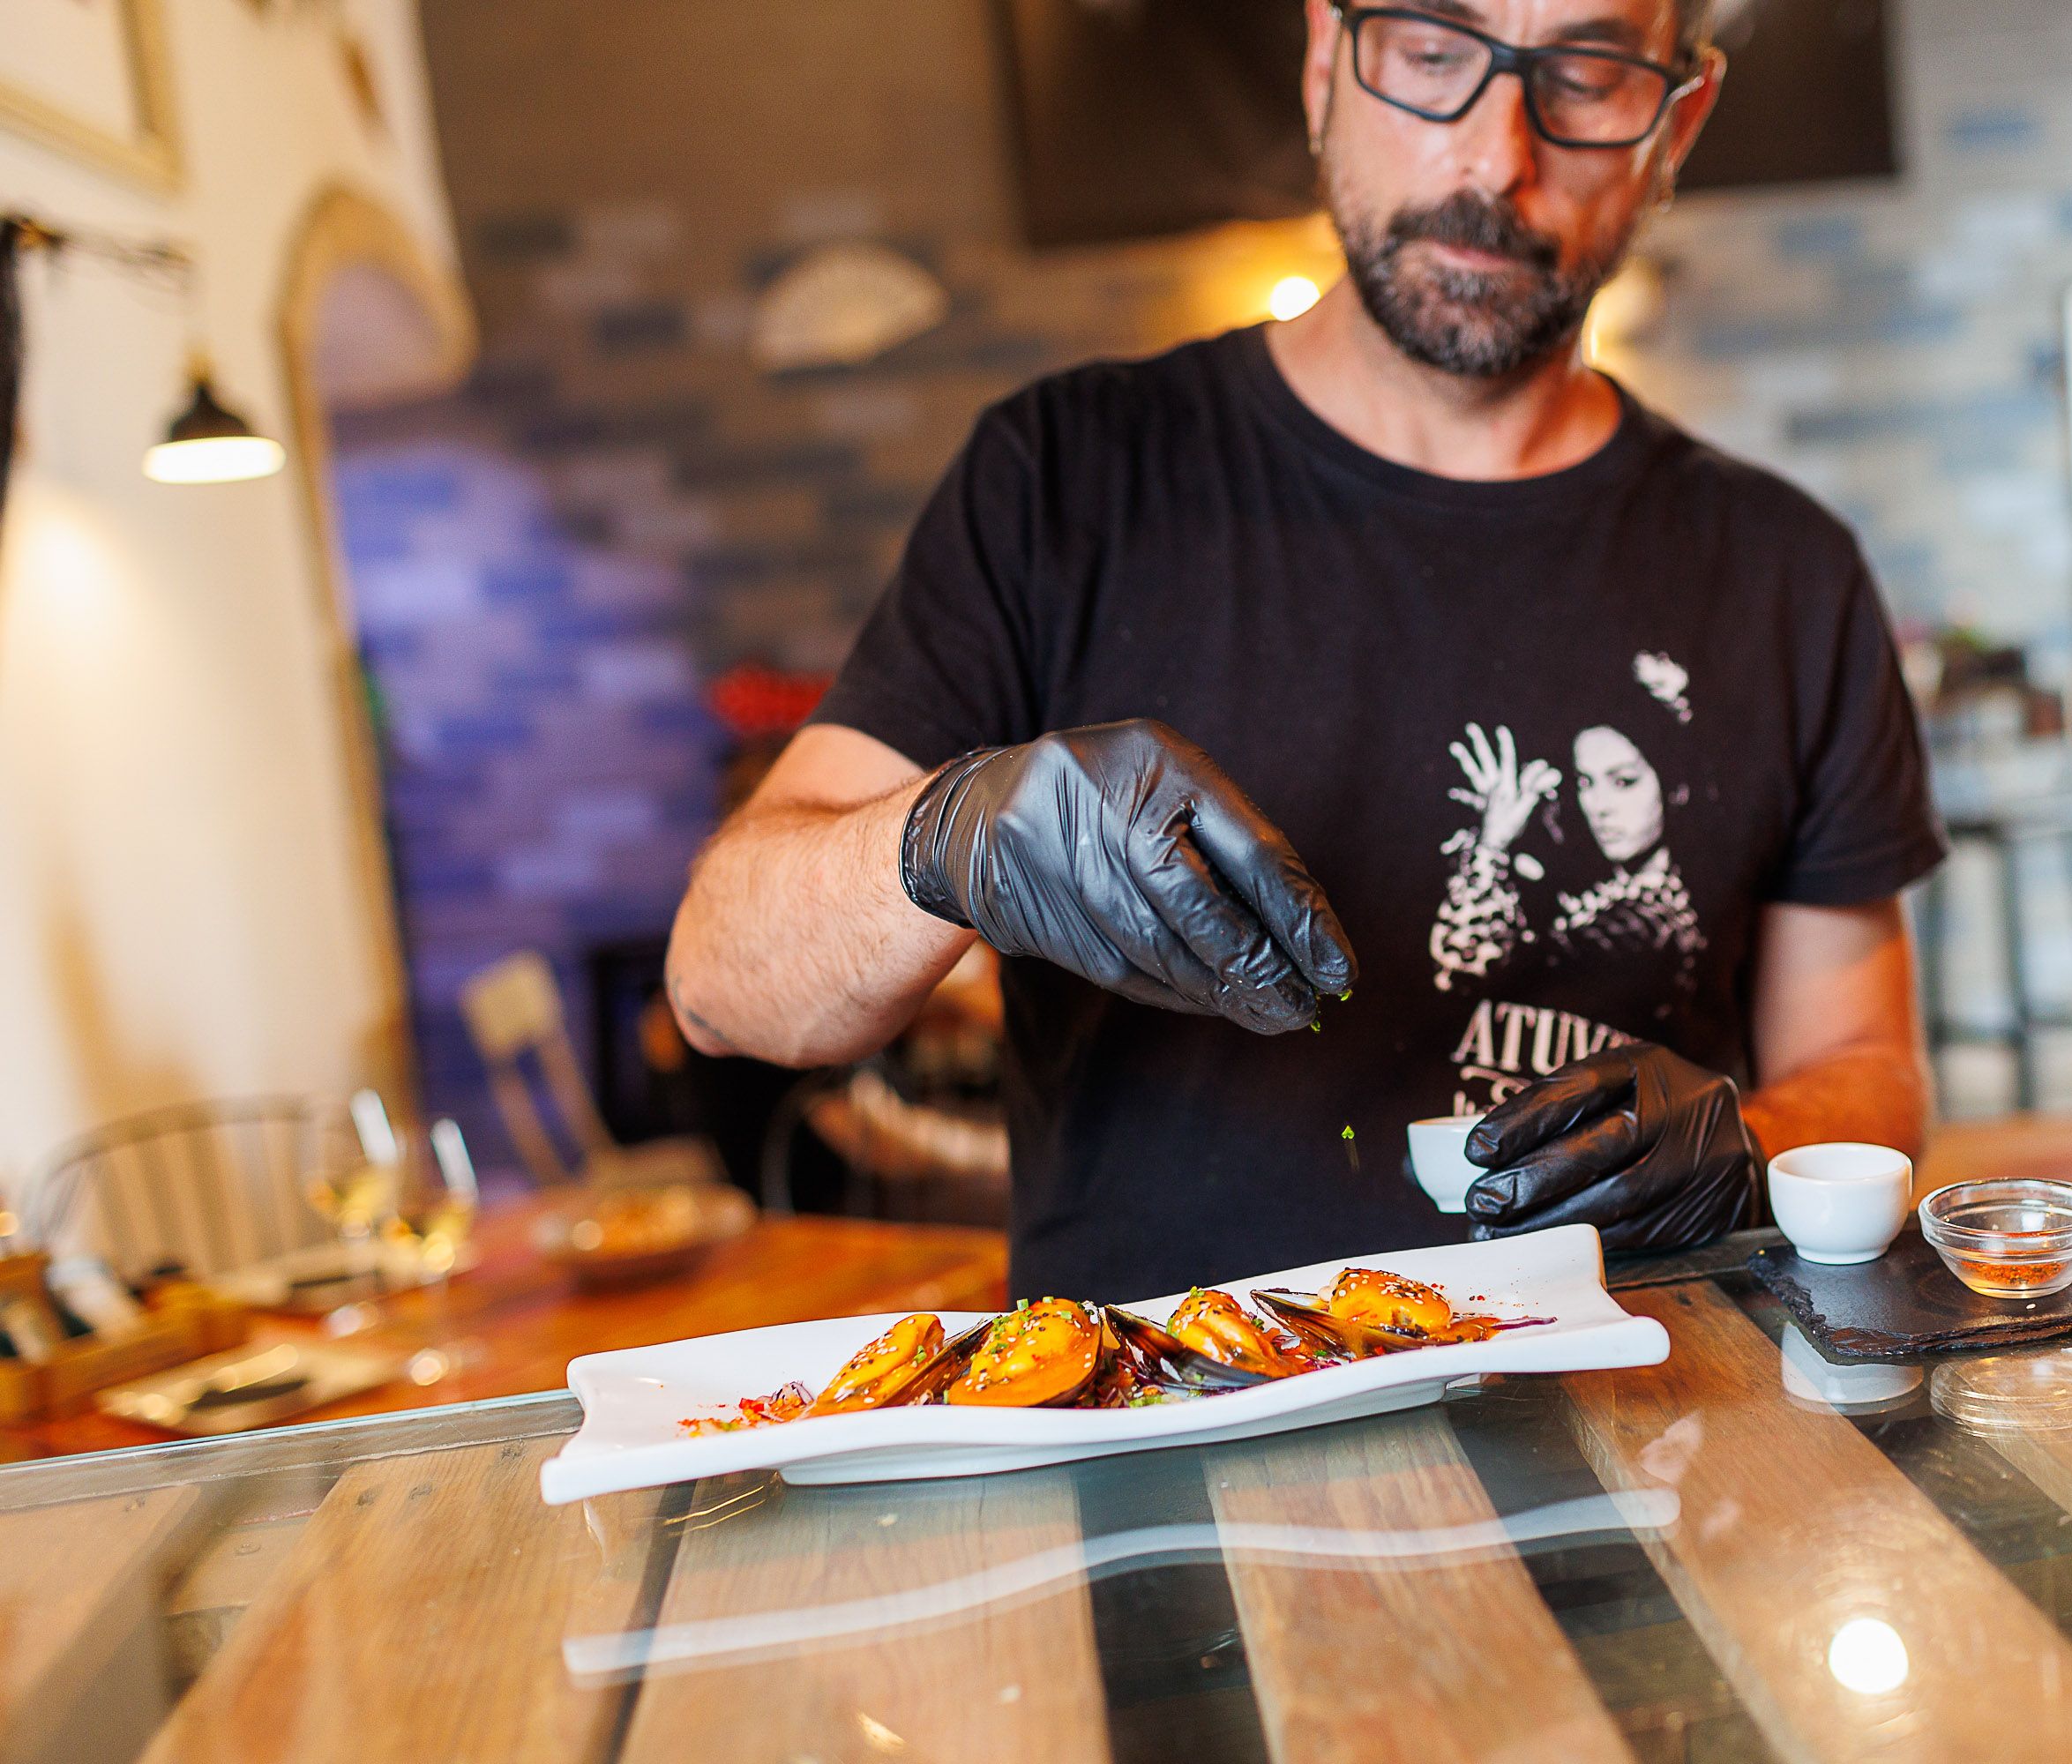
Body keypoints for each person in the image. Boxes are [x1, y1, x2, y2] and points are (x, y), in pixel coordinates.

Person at [667, 0, 1945, 1302]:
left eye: (1588, 72)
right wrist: (943, 842)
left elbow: (1869, 1065)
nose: (1494, 158)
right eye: (1434, 51)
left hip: (1653, 1434)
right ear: (1328, 58)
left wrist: (1754, 1148)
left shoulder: (1785, 570)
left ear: (1678, 120)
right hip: (1165, 1453)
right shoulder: (1059, 483)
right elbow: (723, 987)